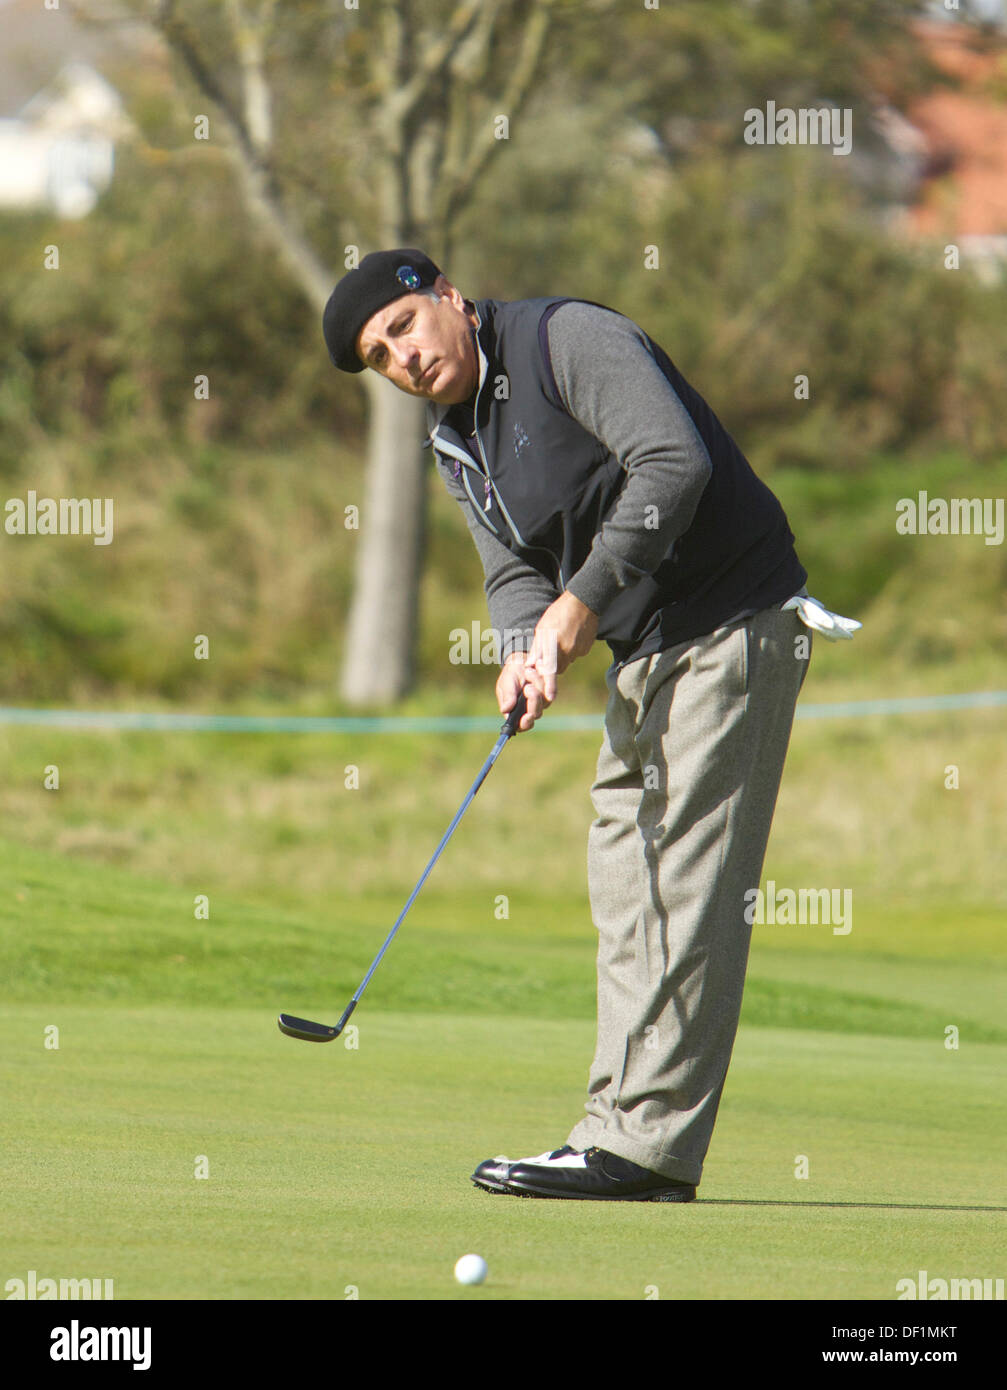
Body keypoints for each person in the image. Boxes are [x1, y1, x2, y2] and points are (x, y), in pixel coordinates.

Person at [322, 248, 860, 1203]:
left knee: (681, 882)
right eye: (379, 357)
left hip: (732, 620)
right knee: (626, 878)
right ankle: (613, 1131)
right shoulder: (455, 441)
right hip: (645, 653)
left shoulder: (564, 339)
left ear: (446, 297)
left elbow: (673, 462)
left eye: (402, 327)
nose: (401, 359)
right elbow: (512, 572)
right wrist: (526, 648)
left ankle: (643, 1151)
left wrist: (580, 604)